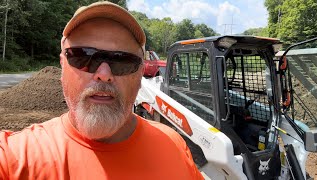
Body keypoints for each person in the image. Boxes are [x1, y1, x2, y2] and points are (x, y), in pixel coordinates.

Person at [0, 1, 203, 179]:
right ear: (62, 65)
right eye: (83, 57)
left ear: (141, 73)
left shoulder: (174, 146)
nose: (103, 73)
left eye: (122, 60)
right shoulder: (16, 157)